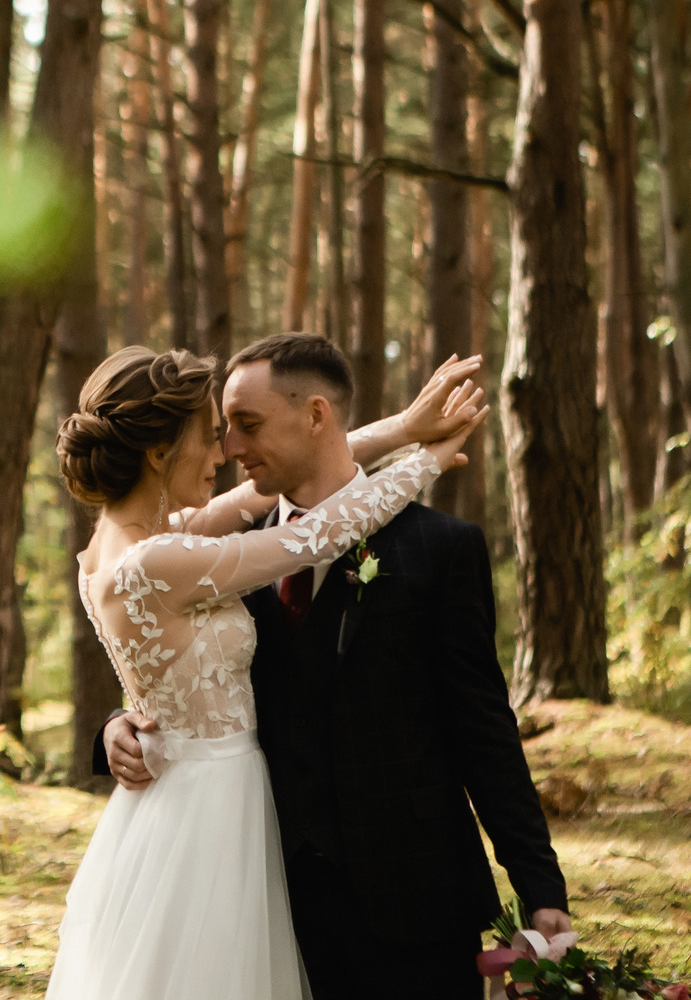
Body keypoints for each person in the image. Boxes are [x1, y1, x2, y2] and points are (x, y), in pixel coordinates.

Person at [94, 333, 571, 1000]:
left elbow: (482, 726)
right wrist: (120, 723)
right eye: (219, 430)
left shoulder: (440, 549)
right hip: (262, 898)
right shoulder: (215, 554)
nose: (229, 447)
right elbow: (172, 658)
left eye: (247, 424)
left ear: (315, 416)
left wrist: (538, 881)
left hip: (414, 906)